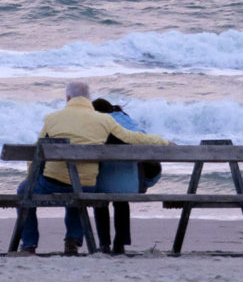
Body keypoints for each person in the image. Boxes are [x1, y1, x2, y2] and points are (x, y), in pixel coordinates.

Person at [17, 81, 171, 255]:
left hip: (54, 182)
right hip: (87, 185)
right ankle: (72, 240)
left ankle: (29, 244)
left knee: (24, 190)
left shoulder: (52, 118)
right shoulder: (104, 120)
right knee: (76, 190)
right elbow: (133, 138)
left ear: (68, 98)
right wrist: (163, 142)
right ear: (88, 98)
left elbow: (37, 153)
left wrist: (31, 179)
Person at [91, 97, 162, 255]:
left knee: (100, 202)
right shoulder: (128, 121)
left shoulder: (99, 123)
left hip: (102, 184)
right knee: (121, 202)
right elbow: (144, 139)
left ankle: (104, 244)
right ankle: (120, 243)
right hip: (130, 185)